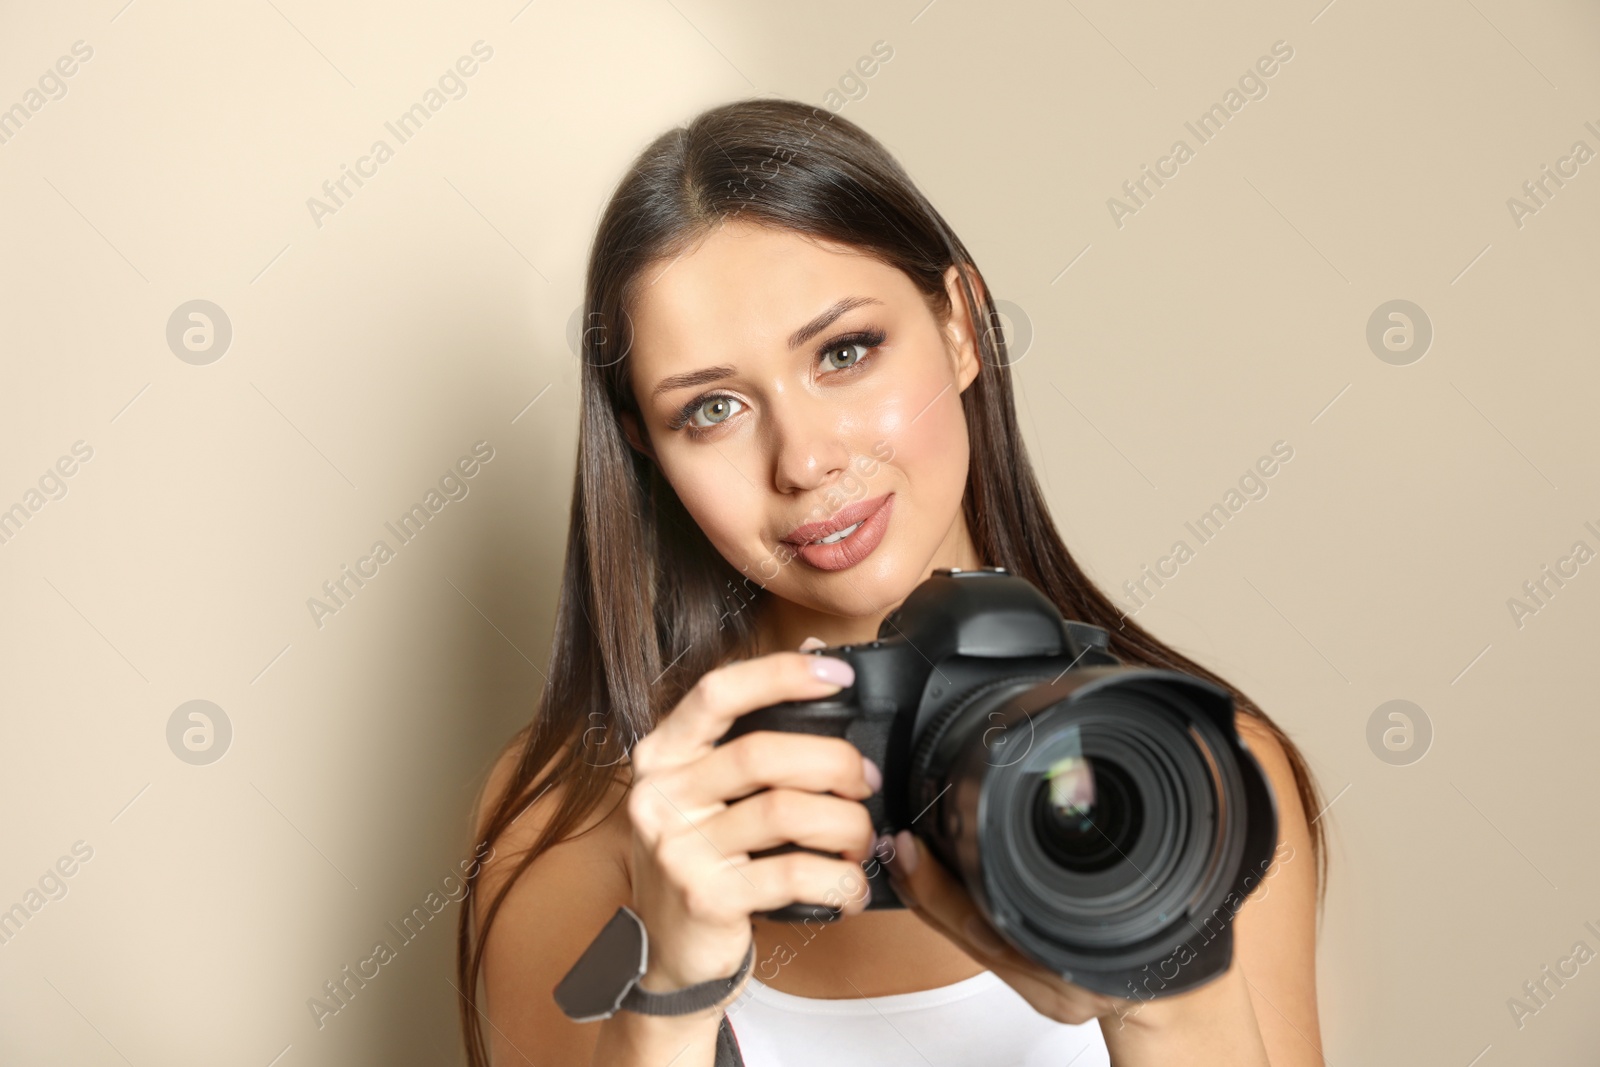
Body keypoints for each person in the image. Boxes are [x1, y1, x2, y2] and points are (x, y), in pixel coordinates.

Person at [455, 97, 1327, 1067]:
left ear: (958, 324)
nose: (805, 459)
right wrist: (669, 989)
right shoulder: (588, 807)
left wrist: (1160, 1000)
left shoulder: (1191, 770)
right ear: (646, 450)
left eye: (843, 351)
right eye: (711, 407)